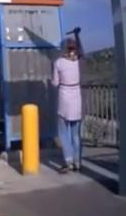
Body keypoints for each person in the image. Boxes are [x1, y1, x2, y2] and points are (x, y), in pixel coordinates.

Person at [52, 29, 83, 174]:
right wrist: (77, 36)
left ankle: (68, 161)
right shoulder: (78, 61)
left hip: (64, 100)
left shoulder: (59, 62)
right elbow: (81, 52)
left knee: (63, 133)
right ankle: (78, 162)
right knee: (76, 134)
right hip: (77, 99)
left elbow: (55, 83)